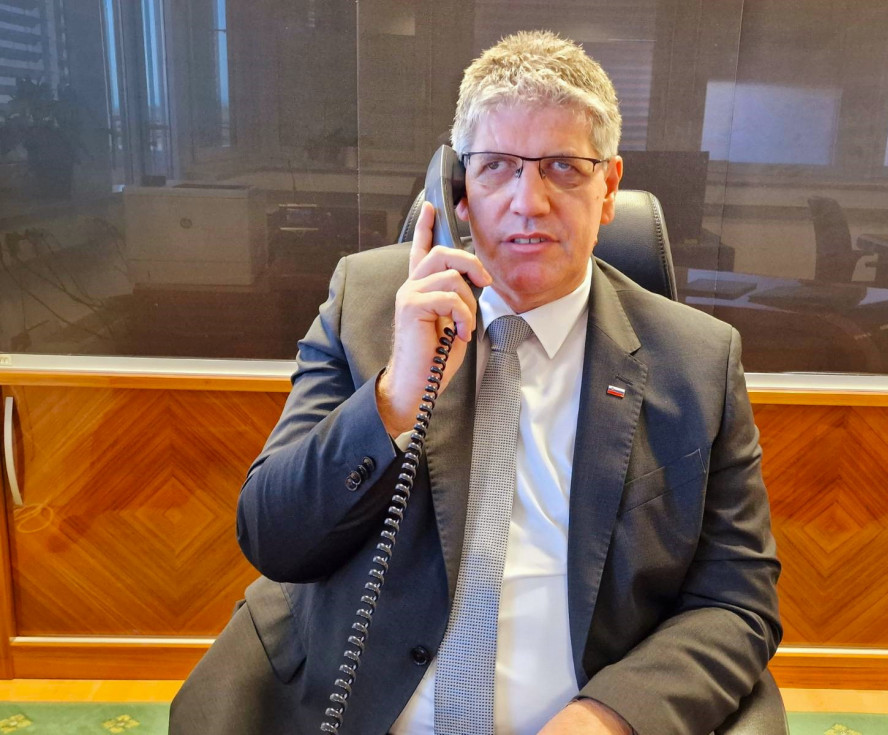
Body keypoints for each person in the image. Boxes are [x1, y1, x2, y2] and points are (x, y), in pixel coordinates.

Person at [170, 30, 780, 735]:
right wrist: (395, 396)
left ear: (608, 188)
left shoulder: (696, 360)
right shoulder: (366, 306)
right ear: (457, 191)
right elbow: (274, 538)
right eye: (496, 167)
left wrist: (611, 715)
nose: (529, 200)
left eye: (562, 167)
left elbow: (737, 600)